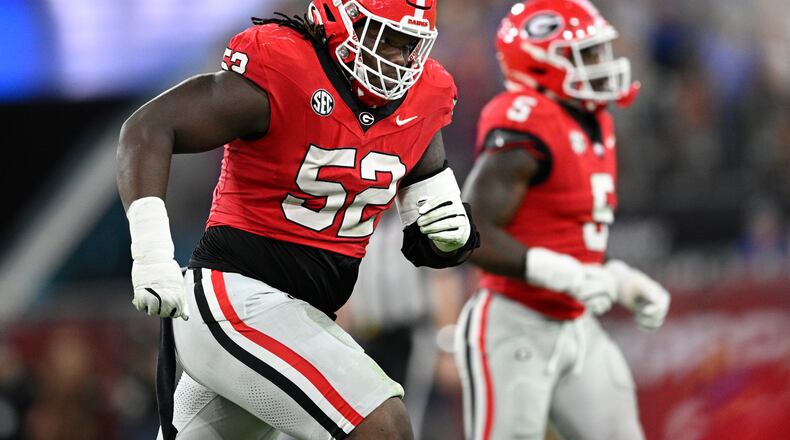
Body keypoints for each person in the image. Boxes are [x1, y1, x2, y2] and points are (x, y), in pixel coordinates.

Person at [115, 0, 480, 438]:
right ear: (339, 20)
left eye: (410, 46)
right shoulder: (284, 68)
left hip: (302, 315)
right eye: (387, 40)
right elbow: (147, 128)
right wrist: (152, 252)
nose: (399, 60)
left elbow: (430, 237)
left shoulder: (424, 97)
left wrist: (455, 235)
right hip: (237, 298)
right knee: (382, 425)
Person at [453, 1, 670, 439]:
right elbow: (469, 233)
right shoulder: (526, 118)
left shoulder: (596, 121)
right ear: (540, 63)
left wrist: (617, 277)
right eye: (587, 55)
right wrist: (558, 272)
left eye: (600, 52)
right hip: (514, 324)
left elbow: (572, 228)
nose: (603, 65)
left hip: (576, 323)